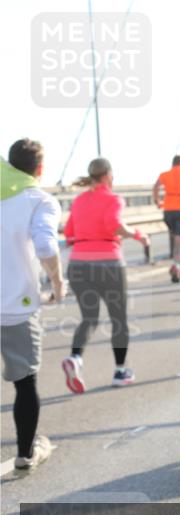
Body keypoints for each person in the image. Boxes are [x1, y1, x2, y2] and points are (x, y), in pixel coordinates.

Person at [60, 157, 151, 392]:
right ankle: (121, 371)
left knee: (89, 318)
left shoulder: (79, 201)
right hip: (108, 264)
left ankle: (75, 358)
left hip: (78, 265)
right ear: (109, 176)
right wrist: (137, 235)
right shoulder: (113, 199)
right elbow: (113, 224)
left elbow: (69, 233)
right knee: (118, 319)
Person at [1, 139, 65, 470]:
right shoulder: (39, 200)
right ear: (39, 169)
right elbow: (45, 246)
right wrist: (57, 282)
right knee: (24, 382)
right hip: (15, 306)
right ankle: (25, 454)